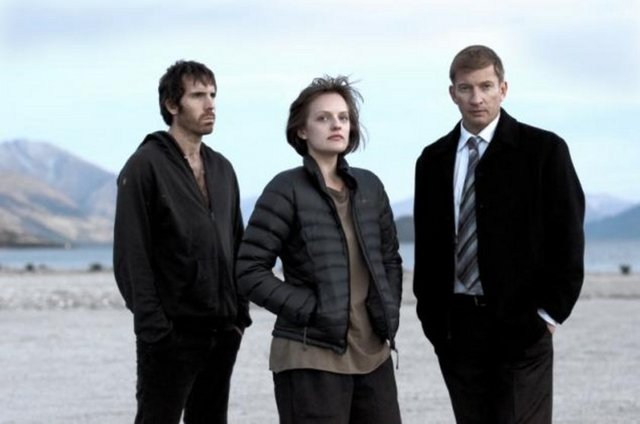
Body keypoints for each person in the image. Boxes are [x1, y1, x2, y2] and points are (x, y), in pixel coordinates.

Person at [413, 45, 585, 423]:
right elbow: (427, 246)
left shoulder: (544, 151)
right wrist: (431, 316)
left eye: (486, 86)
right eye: (466, 88)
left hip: (522, 324)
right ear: (452, 93)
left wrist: (548, 314)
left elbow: (568, 238)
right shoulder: (432, 160)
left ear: (503, 89)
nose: (476, 98)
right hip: (455, 327)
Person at [236, 76, 403, 424]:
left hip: (372, 355)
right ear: (301, 130)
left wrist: (386, 310)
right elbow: (249, 270)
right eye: (323, 118)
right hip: (309, 355)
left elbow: (389, 258)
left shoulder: (370, 186)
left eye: (343, 117)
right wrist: (311, 309)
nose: (336, 125)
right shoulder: (285, 188)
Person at [113, 60, 251, 424]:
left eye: (213, 95)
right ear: (172, 104)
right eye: (198, 95)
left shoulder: (222, 168)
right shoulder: (144, 165)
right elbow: (131, 255)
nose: (210, 105)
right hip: (171, 334)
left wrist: (239, 316)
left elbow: (237, 243)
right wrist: (156, 330)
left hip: (222, 331)